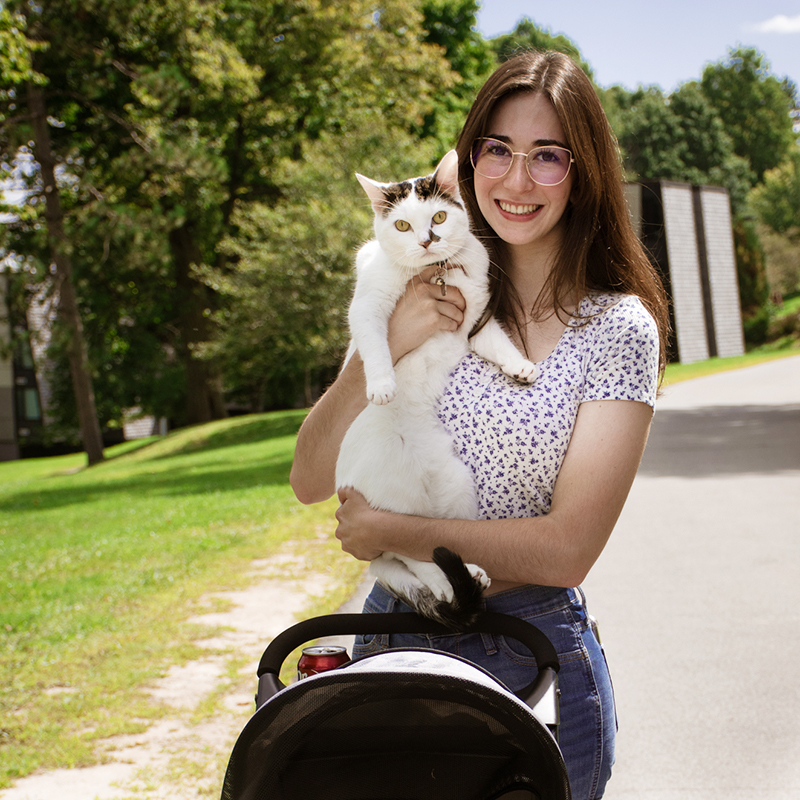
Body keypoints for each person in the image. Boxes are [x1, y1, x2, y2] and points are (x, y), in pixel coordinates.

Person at [290, 50, 669, 800]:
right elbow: (308, 477)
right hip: (395, 646)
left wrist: (390, 531)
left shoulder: (617, 329)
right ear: (467, 165)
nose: (518, 180)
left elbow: (565, 551)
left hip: (533, 662)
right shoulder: (419, 287)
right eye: (498, 150)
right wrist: (384, 350)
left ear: (585, 170)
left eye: (548, 156)